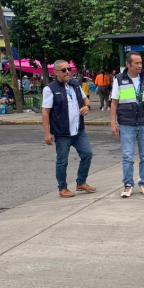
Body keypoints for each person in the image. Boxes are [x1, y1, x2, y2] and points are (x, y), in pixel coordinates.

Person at [42, 60, 95, 198]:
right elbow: (45, 112)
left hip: (78, 130)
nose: (67, 72)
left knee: (87, 154)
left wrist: (87, 106)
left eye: (69, 69)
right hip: (62, 132)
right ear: (56, 72)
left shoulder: (75, 84)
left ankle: (81, 182)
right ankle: (62, 188)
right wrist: (47, 133)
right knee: (62, 162)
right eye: (64, 70)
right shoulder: (50, 89)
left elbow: (86, 99)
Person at [110, 52, 144, 198]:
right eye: (136, 63)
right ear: (128, 64)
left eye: (140, 63)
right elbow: (114, 102)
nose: (139, 66)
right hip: (127, 123)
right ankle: (128, 184)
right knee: (127, 156)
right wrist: (113, 123)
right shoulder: (119, 79)